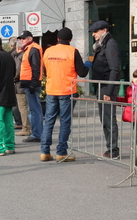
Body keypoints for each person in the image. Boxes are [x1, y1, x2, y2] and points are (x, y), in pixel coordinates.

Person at [40, 27, 90, 162]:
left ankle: (45, 152)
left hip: (51, 90)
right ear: (70, 39)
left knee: (49, 120)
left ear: (57, 39)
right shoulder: (73, 51)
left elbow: (44, 71)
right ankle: (61, 152)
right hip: (67, 90)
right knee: (65, 121)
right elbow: (82, 72)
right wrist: (88, 63)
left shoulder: (48, 51)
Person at [89, 20, 121, 160]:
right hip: (101, 87)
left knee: (109, 119)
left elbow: (114, 69)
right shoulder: (101, 46)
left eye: (96, 32)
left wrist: (108, 91)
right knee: (105, 119)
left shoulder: (110, 44)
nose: (94, 35)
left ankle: (113, 149)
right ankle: (110, 147)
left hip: (107, 87)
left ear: (104, 30)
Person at [18, 30, 44, 142]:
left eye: (23, 38)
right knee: (33, 109)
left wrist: (33, 84)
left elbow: (35, 67)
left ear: (30, 38)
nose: (21, 40)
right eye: (21, 39)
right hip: (29, 83)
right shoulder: (29, 49)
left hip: (31, 83)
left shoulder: (33, 49)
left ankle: (37, 134)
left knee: (34, 109)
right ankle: (36, 133)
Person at [13, 40, 31, 136]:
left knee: (22, 107)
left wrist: (13, 79)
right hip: (25, 83)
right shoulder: (24, 55)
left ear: (17, 48)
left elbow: (17, 71)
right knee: (27, 107)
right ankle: (28, 126)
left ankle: (26, 127)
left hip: (20, 85)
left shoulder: (19, 57)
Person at [9, 36, 22, 130]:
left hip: (17, 82)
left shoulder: (13, 55)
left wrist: (13, 79)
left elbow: (16, 69)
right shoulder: (19, 54)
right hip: (23, 81)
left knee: (16, 103)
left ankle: (18, 122)